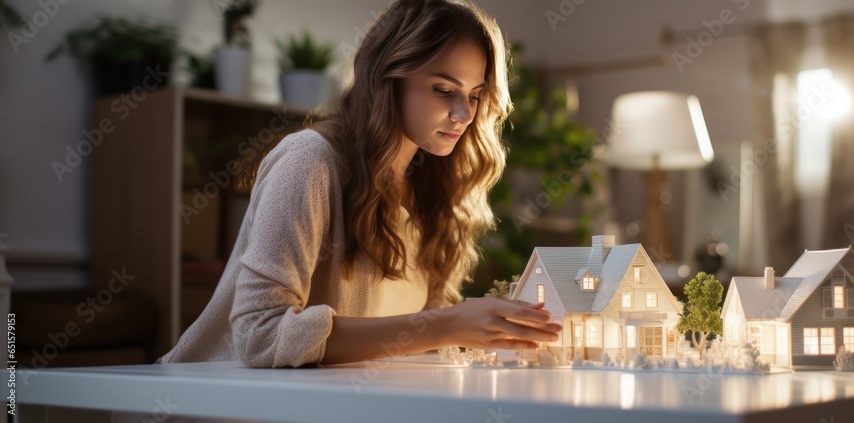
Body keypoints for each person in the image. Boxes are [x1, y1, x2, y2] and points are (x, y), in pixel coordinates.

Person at [158, 0, 561, 369]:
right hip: (220, 407)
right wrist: (444, 325)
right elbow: (259, 336)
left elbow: (421, 340)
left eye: (475, 95)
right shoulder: (310, 161)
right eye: (443, 90)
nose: (463, 114)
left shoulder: (436, 188)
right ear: (388, 79)